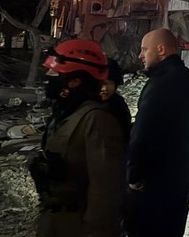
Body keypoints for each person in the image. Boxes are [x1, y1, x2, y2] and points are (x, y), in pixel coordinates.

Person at [29, 40, 124, 237]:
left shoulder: (97, 121)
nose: (48, 78)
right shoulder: (66, 113)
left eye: (55, 74)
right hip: (55, 218)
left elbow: (105, 192)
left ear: (75, 81)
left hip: (78, 225)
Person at [124, 28, 189, 237]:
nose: (140, 55)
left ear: (161, 50)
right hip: (178, 181)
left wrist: (133, 174)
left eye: (144, 50)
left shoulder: (161, 84)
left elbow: (143, 132)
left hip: (154, 184)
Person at [99, 58, 131, 141]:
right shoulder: (84, 104)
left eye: (109, 83)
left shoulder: (119, 105)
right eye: (101, 83)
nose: (104, 88)